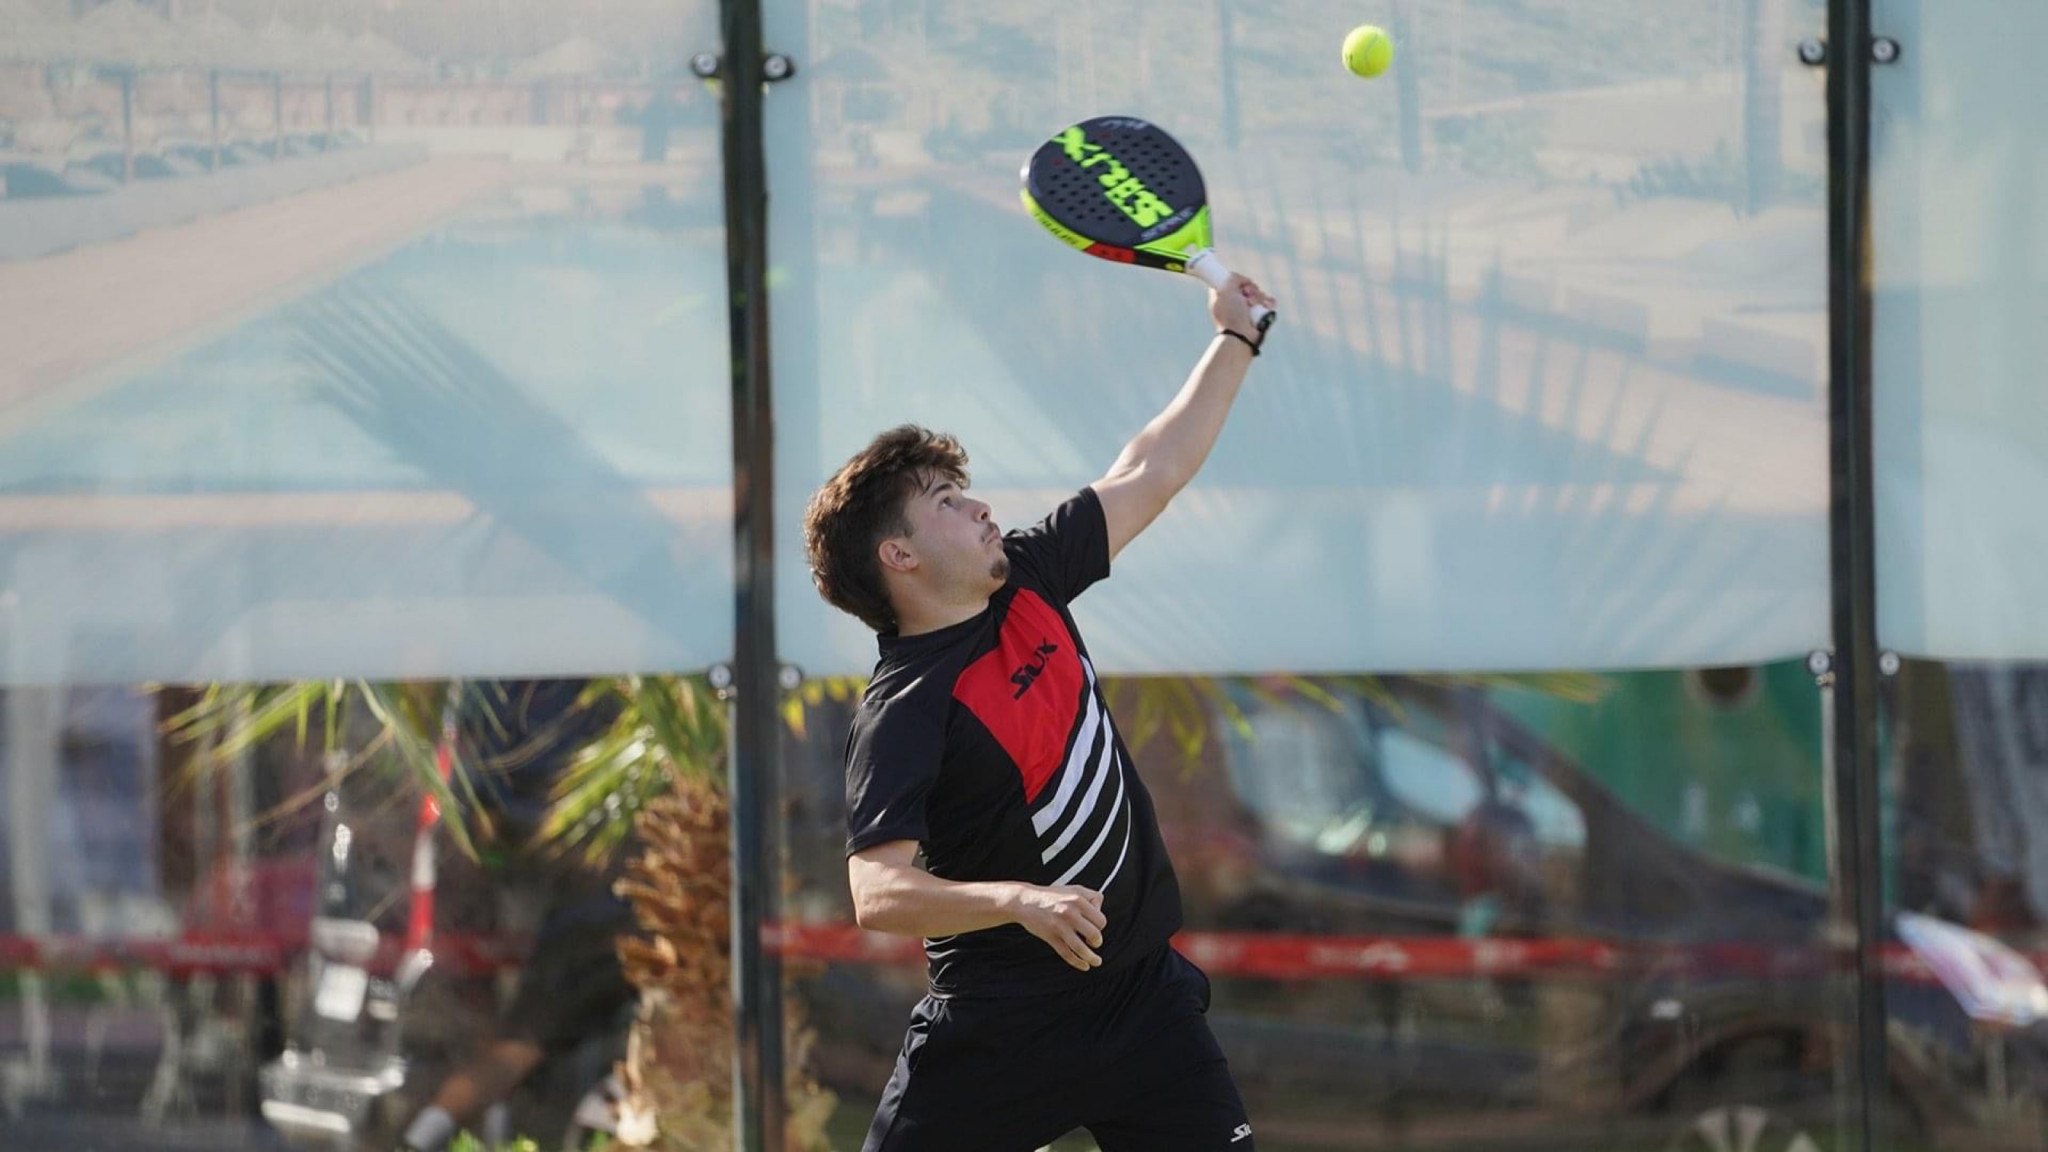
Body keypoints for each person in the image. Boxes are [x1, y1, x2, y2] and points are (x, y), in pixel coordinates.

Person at [800, 274, 1277, 1151]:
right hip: (998, 1027)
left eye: (966, 489)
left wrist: (1236, 339)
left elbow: (1151, 468)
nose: (979, 505)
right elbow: (877, 891)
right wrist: (1018, 900)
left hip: (1142, 1004)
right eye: (946, 502)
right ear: (898, 555)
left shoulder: (1031, 575)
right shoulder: (903, 709)